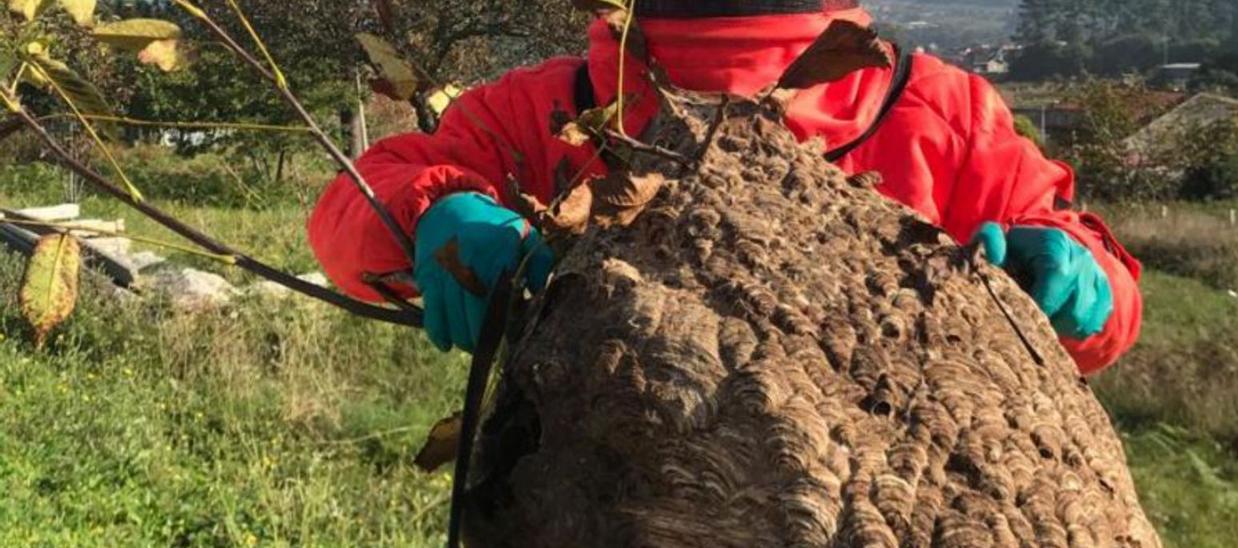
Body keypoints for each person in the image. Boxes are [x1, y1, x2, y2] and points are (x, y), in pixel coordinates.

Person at [307, 0, 1142, 375]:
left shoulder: (939, 108)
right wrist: (433, 211)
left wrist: (1079, 278)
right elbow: (363, 196)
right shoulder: (551, 107)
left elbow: (1089, 281)